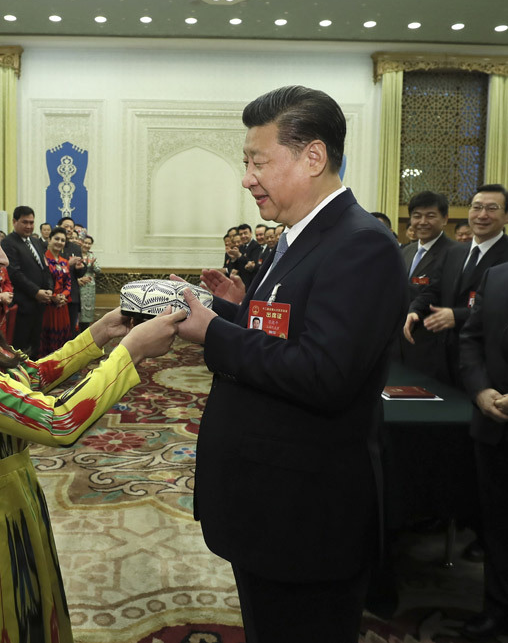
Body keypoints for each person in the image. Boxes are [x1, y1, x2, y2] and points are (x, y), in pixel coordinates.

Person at [0, 175, 183, 643]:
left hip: (9, 503)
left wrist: (100, 334)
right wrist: (131, 352)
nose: (5, 257)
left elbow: (28, 380)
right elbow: (56, 420)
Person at [176, 86, 406, 643]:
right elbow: (287, 332)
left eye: (258, 162)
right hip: (269, 506)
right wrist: (228, 311)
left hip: (305, 519)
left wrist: (214, 334)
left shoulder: (361, 245)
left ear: (313, 157)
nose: (247, 178)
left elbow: (324, 373)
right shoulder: (300, 240)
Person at [404, 185, 508, 386]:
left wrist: (457, 315)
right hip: (444, 361)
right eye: (477, 207)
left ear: (506, 216)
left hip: (487, 366)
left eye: (492, 208)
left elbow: (501, 313)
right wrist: (415, 309)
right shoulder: (455, 252)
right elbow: (434, 289)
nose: (482, 215)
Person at [459, 263, 508, 640]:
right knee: (498, 526)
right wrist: (479, 390)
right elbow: (471, 339)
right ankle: (498, 608)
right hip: (494, 425)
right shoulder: (496, 276)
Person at [398, 190, 459, 374]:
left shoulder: (455, 253)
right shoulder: (406, 251)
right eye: (417, 216)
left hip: (432, 345)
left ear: (445, 219)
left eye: (430, 216)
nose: (422, 222)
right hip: (399, 342)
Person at [2, 205, 52, 357]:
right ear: (14, 222)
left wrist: (49, 289)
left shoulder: (36, 242)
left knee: (35, 345)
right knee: (20, 347)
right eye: (25, 222)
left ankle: (34, 370)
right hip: (22, 305)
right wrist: (36, 292)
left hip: (39, 304)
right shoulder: (8, 243)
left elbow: (45, 267)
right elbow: (14, 273)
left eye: (31, 222)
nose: (29, 226)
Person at [41, 227, 73, 355]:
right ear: (49, 239)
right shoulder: (43, 259)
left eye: (62, 240)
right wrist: (54, 296)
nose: (59, 242)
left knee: (63, 340)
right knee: (47, 340)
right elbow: (41, 282)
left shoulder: (64, 262)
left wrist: (62, 296)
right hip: (47, 305)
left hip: (62, 305)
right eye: (57, 239)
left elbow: (68, 283)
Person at [79, 234, 101, 329]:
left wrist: (92, 265)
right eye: (85, 243)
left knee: (88, 310)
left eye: (89, 244)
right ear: (81, 242)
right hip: (79, 284)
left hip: (89, 286)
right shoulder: (76, 254)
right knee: (79, 310)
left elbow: (98, 270)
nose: (87, 245)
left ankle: (85, 329)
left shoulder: (91, 255)